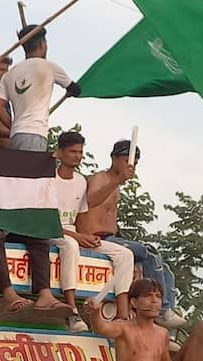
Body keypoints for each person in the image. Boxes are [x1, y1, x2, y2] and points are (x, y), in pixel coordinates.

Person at [0, 115, 73, 317]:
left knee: (36, 233)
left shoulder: (3, 160)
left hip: (3, 221)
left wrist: (45, 161)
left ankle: (45, 294)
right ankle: (8, 293)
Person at [78, 140, 186, 328]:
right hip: (96, 238)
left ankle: (164, 320)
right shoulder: (100, 178)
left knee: (165, 270)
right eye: (127, 160)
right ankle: (161, 311)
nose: (131, 166)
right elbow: (91, 201)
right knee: (149, 252)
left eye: (134, 162)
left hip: (114, 237)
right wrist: (118, 180)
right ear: (114, 158)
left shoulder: (115, 186)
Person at [51, 132, 133, 331]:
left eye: (80, 152)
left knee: (125, 254)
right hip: (51, 231)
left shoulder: (80, 181)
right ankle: (72, 311)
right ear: (60, 153)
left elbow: (81, 215)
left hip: (73, 232)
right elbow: (45, 220)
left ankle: (123, 317)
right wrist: (77, 237)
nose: (77, 156)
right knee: (70, 245)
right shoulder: (49, 178)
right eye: (72, 151)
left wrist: (86, 236)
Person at [0, 24, 81, 152]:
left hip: (16, 135)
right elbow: (76, 89)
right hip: (35, 133)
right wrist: (70, 91)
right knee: (29, 170)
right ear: (42, 44)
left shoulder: (9, 74)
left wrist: (13, 126)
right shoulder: (49, 67)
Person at [86, 278, 171, 361]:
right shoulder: (124, 328)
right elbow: (100, 328)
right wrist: (95, 312)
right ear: (134, 302)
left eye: (158, 296)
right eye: (148, 296)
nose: (154, 300)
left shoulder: (163, 334)